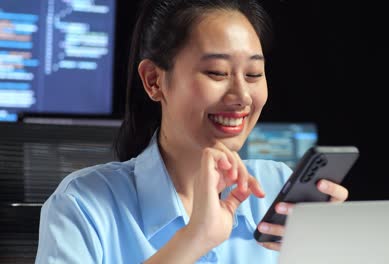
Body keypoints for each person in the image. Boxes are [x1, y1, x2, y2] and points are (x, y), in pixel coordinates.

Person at [35, 0, 349, 263]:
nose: (241, 96)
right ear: (154, 81)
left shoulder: (278, 189)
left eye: (254, 74)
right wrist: (194, 239)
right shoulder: (81, 205)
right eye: (217, 72)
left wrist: (341, 248)